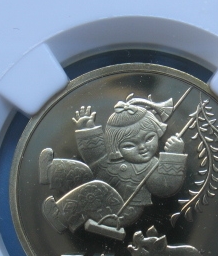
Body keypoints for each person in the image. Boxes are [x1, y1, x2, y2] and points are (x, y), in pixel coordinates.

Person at [72, 96, 187, 229]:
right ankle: (63, 209)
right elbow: (94, 155)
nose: (142, 147)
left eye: (149, 138)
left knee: (91, 189)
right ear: (115, 147)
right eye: (129, 145)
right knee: (75, 169)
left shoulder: (152, 166)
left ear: (158, 132)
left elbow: (164, 187)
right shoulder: (108, 158)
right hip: (95, 201)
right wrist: (86, 129)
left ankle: (61, 214)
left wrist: (174, 155)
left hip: (122, 212)